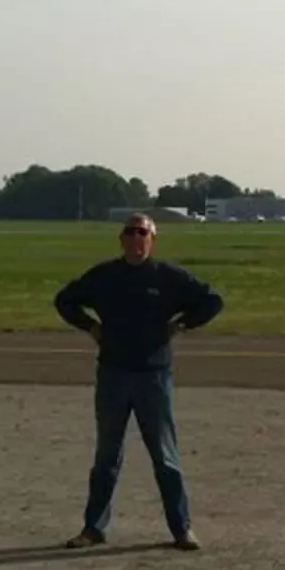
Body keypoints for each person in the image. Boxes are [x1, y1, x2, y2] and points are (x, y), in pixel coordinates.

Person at [53, 212, 224, 550]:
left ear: (152, 240)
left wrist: (182, 324)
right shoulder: (104, 276)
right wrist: (90, 326)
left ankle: (181, 529)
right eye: (130, 232)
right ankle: (93, 528)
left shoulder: (168, 277)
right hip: (113, 375)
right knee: (107, 456)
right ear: (121, 239)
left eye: (142, 233)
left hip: (153, 377)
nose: (136, 239)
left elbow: (212, 301)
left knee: (165, 457)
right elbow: (65, 300)